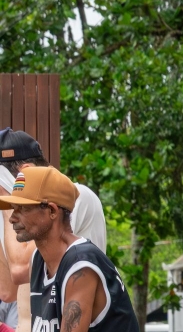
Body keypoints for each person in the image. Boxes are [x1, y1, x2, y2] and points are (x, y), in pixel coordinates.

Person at [0, 166, 137, 332]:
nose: (13, 218)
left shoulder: (81, 265)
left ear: (51, 210)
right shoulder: (37, 259)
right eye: (14, 208)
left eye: (23, 209)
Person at [0, 128, 108, 331]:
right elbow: (7, 291)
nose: (13, 216)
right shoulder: (35, 252)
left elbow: (19, 269)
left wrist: (6, 191)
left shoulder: (74, 196)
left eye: (20, 208)